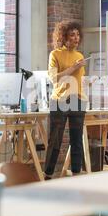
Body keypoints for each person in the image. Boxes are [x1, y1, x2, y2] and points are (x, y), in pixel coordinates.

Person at [44, 21, 88, 180]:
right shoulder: (55, 54)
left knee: (77, 141)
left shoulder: (80, 55)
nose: (76, 38)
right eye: (72, 35)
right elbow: (54, 78)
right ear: (64, 37)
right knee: (55, 140)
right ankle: (47, 174)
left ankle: (77, 174)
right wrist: (73, 68)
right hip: (59, 100)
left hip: (78, 100)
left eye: (77, 34)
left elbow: (79, 79)